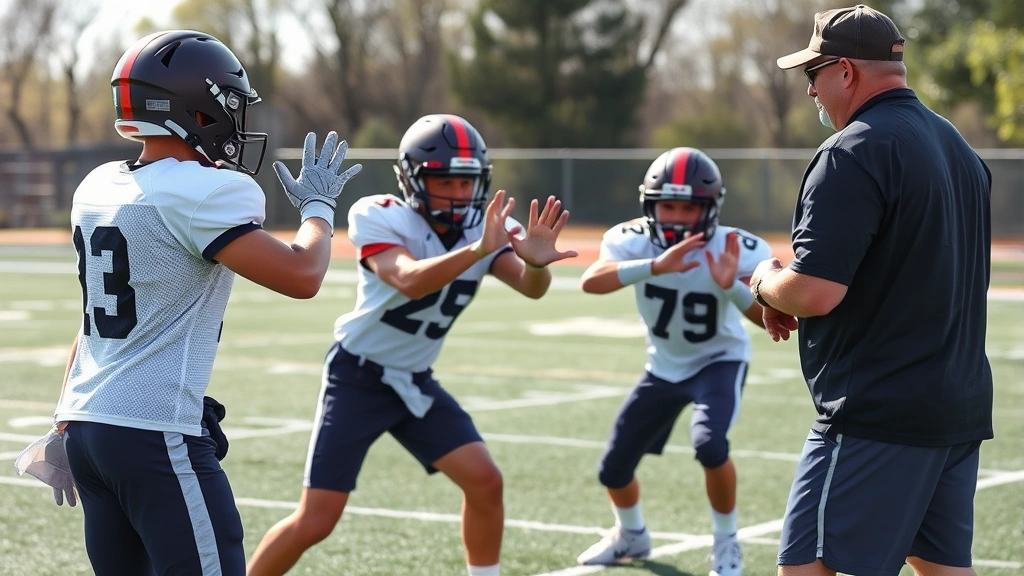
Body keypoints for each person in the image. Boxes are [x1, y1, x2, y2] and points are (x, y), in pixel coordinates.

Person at [16, 30, 361, 576]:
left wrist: (65, 417)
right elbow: (302, 275)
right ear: (198, 110)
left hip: (85, 428)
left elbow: (90, 325)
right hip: (151, 432)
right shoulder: (205, 190)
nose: (236, 120)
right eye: (229, 105)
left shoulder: (98, 186)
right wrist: (318, 209)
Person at [246, 113, 578, 576]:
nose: (458, 193)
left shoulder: (484, 228)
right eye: (445, 181)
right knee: (317, 519)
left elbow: (530, 287)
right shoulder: (381, 214)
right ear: (412, 180)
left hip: (414, 381)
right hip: (358, 377)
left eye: (466, 182)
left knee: (485, 482)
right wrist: (478, 250)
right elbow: (407, 280)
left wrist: (537, 265)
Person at [749, 5, 993, 576]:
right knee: (941, 567)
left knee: (806, 567)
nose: (810, 90)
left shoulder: (852, 150)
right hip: (956, 404)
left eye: (813, 73)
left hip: (878, 411)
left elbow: (814, 292)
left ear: (846, 71)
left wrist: (764, 283)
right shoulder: (957, 146)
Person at [576, 147, 771, 576]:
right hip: (663, 366)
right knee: (613, 469)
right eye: (668, 206)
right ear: (650, 205)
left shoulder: (736, 247)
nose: (678, 218)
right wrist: (655, 266)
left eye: (689, 207)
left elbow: (771, 320)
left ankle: (727, 543)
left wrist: (732, 287)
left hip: (718, 361)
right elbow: (591, 281)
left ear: (710, 208)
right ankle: (631, 534)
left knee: (710, 445)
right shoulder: (632, 240)